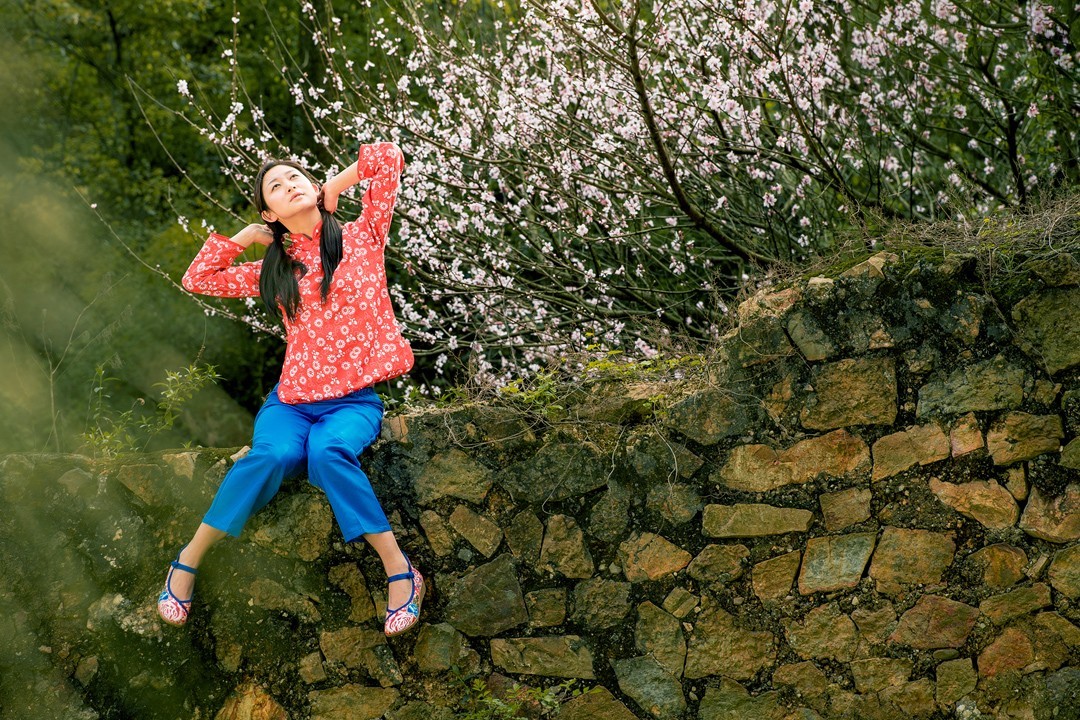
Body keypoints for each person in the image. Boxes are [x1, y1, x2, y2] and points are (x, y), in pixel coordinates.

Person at [157, 141, 425, 637]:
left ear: (311, 184)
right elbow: (197, 279)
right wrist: (244, 237)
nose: (288, 186)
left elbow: (388, 156)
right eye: (275, 187)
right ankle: (188, 560)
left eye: (295, 177)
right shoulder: (274, 269)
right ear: (269, 212)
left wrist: (332, 187)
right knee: (269, 456)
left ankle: (399, 568)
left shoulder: (365, 234)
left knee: (329, 452)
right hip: (291, 403)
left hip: (353, 402)